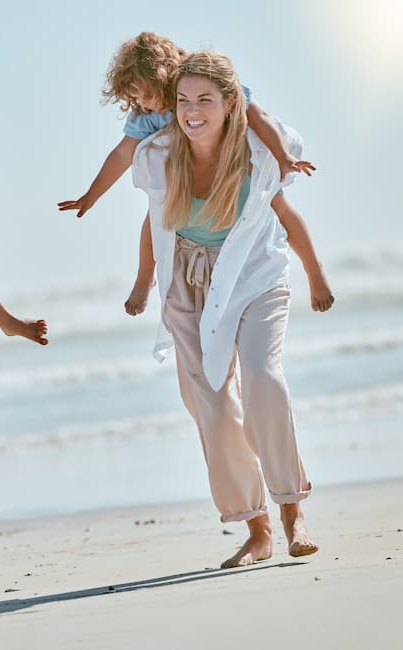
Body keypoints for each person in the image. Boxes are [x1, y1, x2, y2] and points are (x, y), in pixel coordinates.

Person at [131, 51, 320, 568]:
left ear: (231, 102)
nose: (193, 111)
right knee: (212, 408)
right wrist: (144, 282)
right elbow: (152, 220)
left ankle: (291, 510)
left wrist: (315, 275)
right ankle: (256, 529)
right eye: (183, 100)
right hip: (188, 283)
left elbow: (288, 211)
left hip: (254, 275)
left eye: (205, 100)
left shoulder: (261, 149)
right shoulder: (157, 153)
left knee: (263, 378)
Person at [58, 32, 333, 314]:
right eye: (135, 98)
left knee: (279, 205)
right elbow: (121, 154)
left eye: (145, 95)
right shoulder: (147, 115)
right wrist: (91, 195)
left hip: (237, 164)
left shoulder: (204, 81)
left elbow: (259, 118)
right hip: (189, 176)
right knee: (156, 213)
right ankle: (144, 280)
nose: (142, 104)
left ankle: (314, 270)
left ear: (163, 79)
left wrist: (283, 156)